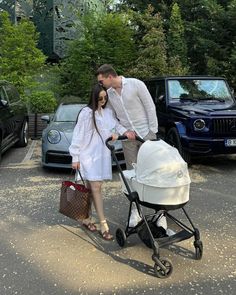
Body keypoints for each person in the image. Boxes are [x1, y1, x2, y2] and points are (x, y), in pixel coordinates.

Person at [69, 84, 127, 241]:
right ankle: (103, 224)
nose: (103, 100)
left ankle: (86, 218)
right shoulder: (87, 113)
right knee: (96, 187)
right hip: (87, 156)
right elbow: (78, 135)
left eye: (105, 98)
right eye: (100, 98)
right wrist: (75, 157)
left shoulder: (107, 113)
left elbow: (116, 126)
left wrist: (126, 133)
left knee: (90, 188)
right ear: (94, 98)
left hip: (101, 157)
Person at [96, 64, 158, 169]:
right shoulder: (109, 94)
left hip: (146, 133)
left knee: (151, 169)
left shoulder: (137, 84)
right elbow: (112, 117)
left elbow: (150, 107)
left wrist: (152, 131)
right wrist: (124, 131)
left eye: (101, 81)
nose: (100, 84)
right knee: (132, 170)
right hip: (127, 138)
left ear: (110, 77)